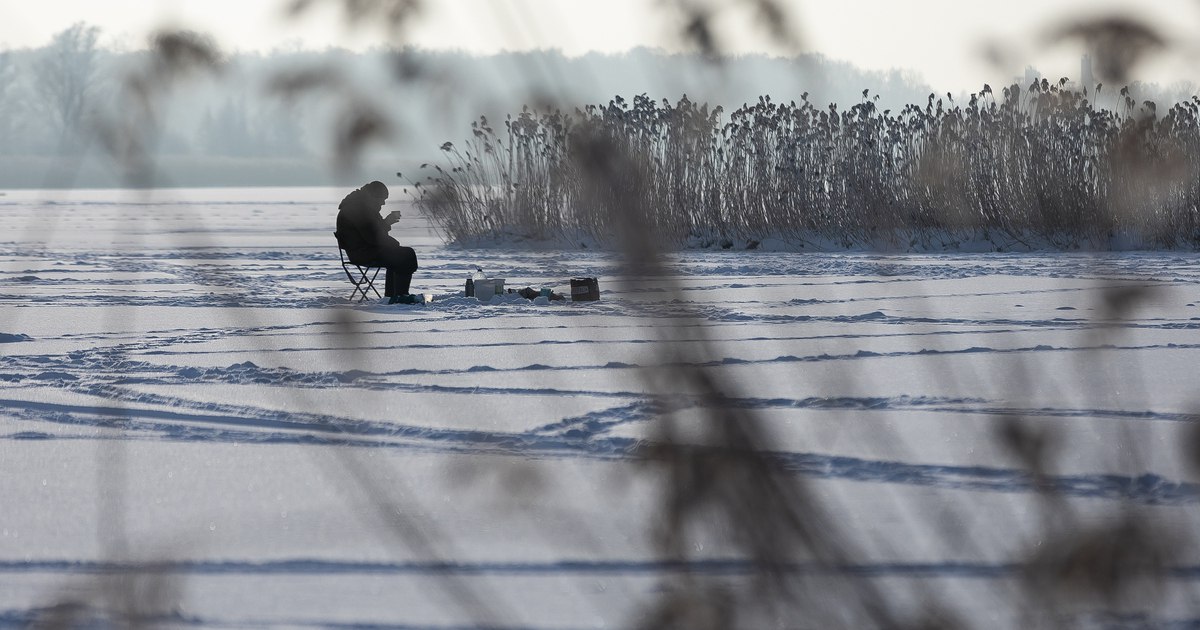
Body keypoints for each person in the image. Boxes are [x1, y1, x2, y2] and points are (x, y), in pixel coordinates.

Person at [335, 181, 420, 304]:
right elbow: (373, 237)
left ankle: (393, 296)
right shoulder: (359, 210)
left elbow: (373, 233)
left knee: (398, 255)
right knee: (406, 255)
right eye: (382, 199)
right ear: (373, 196)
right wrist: (392, 243)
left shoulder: (361, 206)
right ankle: (400, 296)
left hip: (361, 250)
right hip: (362, 253)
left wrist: (386, 223)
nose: (383, 202)